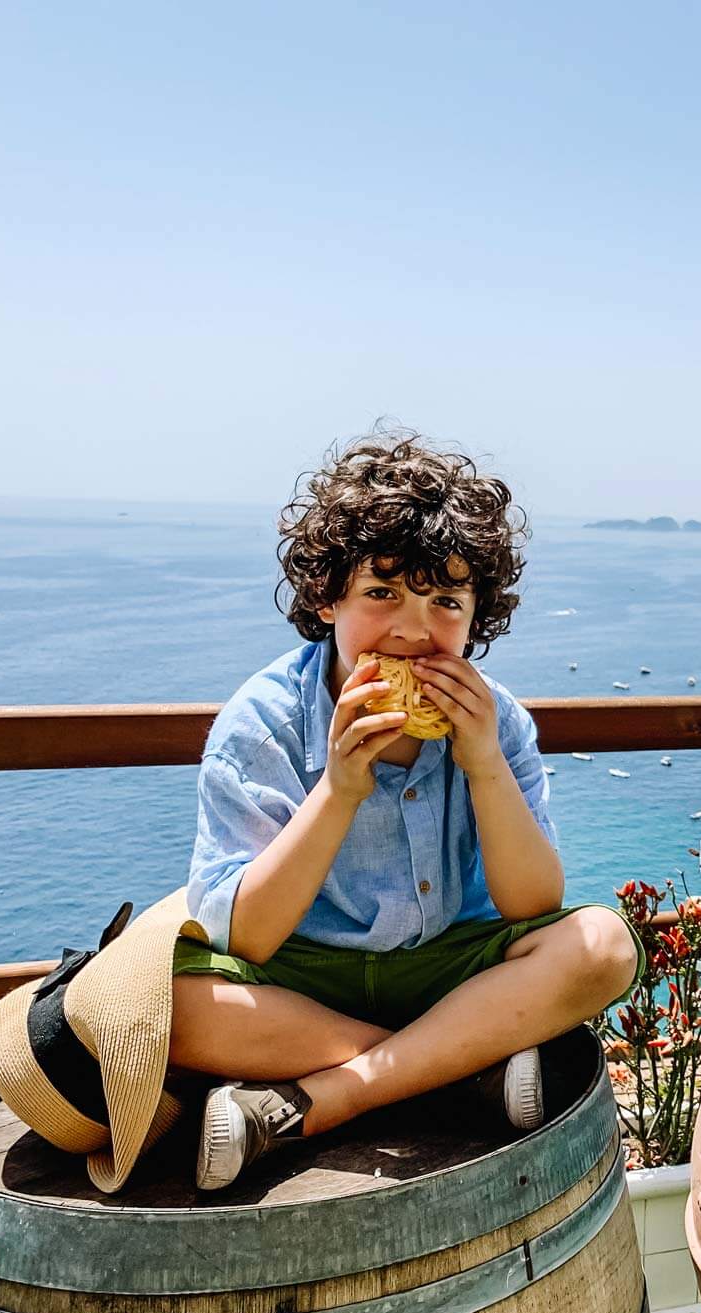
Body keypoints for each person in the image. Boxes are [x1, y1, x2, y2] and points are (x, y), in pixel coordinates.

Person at [174, 432, 640, 1190]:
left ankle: (324, 1099)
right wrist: (339, 790)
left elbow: (532, 903)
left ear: (476, 617)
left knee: (604, 946)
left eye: (446, 603)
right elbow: (250, 933)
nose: (415, 630)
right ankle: (454, 1068)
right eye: (382, 593)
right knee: (166, 1009)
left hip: (446, 965)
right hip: (301, 979)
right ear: (327, 596)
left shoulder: (499, 723)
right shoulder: (263, 725)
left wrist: (484, 763)